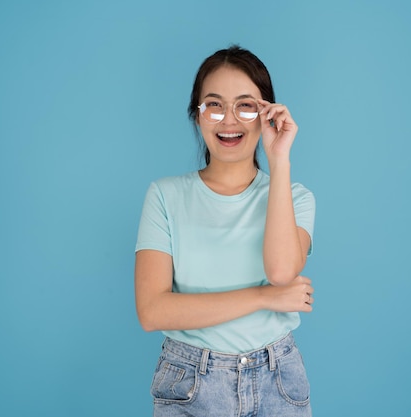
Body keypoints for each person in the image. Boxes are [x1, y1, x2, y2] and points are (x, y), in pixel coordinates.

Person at [134, 45, 316, 417]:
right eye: (214, 105)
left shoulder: (296, 197)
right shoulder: (165, 196)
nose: (229, 119)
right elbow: (153, 311)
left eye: (246, 105)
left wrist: (279, 159)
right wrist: (264, 298)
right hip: (191, 382)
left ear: (267, 114)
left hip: (277, 380)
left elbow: (281, 272)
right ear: (196, 115)